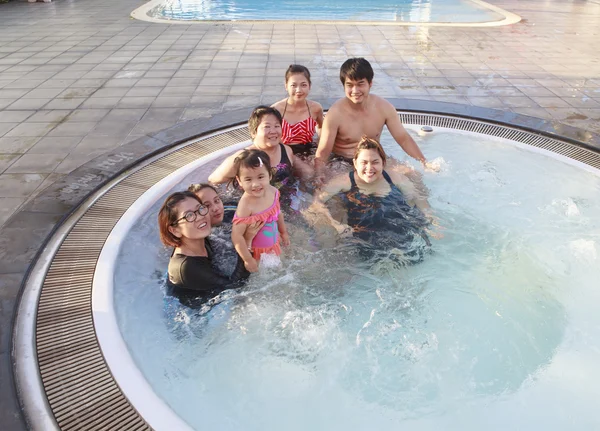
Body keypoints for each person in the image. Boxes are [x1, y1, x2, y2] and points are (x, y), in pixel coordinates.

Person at [308, 137, 433, 264]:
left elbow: (417, 199)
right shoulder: (343, 181)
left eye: (375, 162)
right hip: (362, 230)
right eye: (364, 162)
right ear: (355, 163)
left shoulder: (395, 178)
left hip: (396, 222)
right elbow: (315, 203)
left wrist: (430, 220)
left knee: (413, 254)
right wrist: (336, 225)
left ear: (383, 163)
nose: (369, 168)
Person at [314, 57, 436, 183]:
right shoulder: (335, 114)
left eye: (360, 84)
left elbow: (403, 139)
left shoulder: (384, 108)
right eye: (350, 85)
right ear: (344, 86)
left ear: (370, 83)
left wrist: (424, 162)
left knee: (414, 176)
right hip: (342, 162)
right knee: (338, 194)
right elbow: (323, 152)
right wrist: (319, 175)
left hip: (373, 159)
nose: (355, 91)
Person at [158, 191, 252, 308]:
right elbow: (236, 286)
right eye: (189, 216)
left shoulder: (201, 239)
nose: (200, 217)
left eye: (200, 209)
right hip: (193, 315)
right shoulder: (186, 267)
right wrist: (246, 242)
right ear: (174, 230)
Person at [208, 105, 312, 188]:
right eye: (267, 126)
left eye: (277, 126)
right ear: (254, 132)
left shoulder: (285, 150)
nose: (273, 131)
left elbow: (308, 173)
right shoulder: (243, 158)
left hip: (285, 202)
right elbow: (213, 180)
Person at [231, 149, 290, 272]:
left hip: (274, 243)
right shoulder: (246, 205)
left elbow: (278, 213)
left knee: (283, 270)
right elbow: (237, 236)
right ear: (239, 181)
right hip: (257, 252)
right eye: (248, 179)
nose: (255, 184)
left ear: (270, 175)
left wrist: (283, 233)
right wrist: (248, 260)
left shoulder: (273, 192)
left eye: (260, 177)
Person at [271, 64, 324, 157]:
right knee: (307, 171)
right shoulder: (276, 110)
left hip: (307, 150)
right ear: (286, 86)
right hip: (283, 152)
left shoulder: (315, 108)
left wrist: (320, 145)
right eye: (293, 85)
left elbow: (322, 127)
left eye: (303, 85)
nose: (298, 90)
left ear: (309, 86)